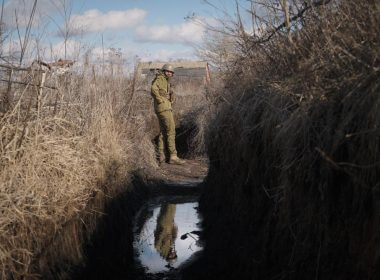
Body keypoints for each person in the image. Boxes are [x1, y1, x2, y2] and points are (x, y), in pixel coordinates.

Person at [151, 63, 185, 164]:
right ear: (164, 71)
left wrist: (170, 97)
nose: (169, 73)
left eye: (171, 72)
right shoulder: (161, 78)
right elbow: (153, 89)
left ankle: (161, 155)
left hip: (161, 108)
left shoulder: (165, 80)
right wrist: (160, 100)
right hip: (164, 108)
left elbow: (163, 92)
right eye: (168, 71)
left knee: (163, 131)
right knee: (171, 131)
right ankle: (173, 156)